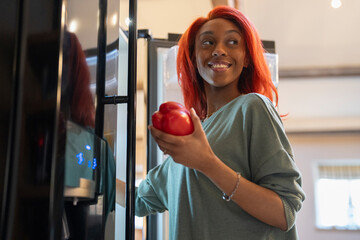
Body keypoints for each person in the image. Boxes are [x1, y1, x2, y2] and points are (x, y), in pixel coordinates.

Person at [117, 5, 305, 240]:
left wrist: (207, 163)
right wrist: (94, 166)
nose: (219, 51)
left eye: (232, 42)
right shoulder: (188, 139)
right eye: (207, 43)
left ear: (246, 58)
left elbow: (284, 212)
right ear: (194, 59)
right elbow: (138, 201)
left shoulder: (253, 107)